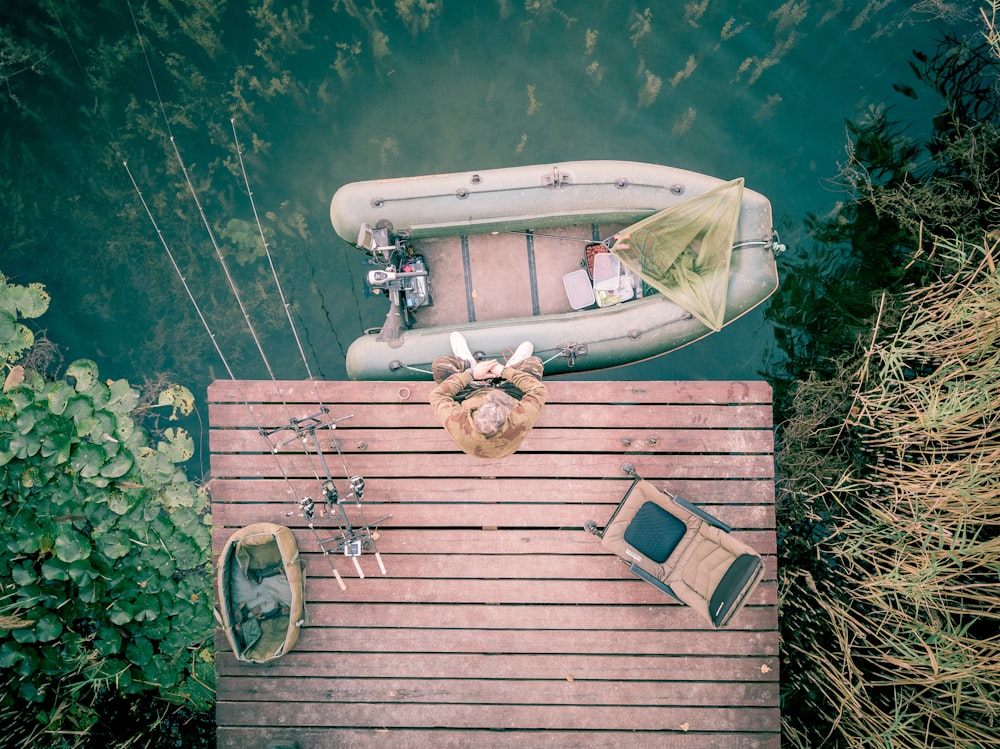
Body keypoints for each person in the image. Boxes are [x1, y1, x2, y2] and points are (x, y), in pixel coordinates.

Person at [429, 332, 547, 459]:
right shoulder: (519, 419)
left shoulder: (458, 424)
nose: (489, 394)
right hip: (509, 392)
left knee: (440, 365)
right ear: (507, 417)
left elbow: (437, 396)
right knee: (534, 364)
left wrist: (471, 374)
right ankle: (511, 366)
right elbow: (538, 390)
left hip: (470, 394)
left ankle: (469, 364)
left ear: (474, 415)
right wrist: (504, 371)